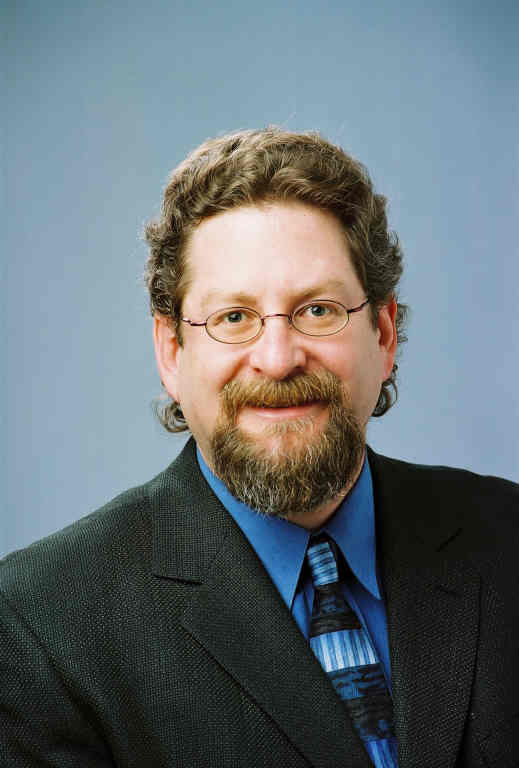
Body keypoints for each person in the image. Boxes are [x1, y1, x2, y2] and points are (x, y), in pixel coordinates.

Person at [1, 128, 517, 768]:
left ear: (383, 334)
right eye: (234, 318)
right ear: (171, 351)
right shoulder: (42, 625)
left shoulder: (506, 537)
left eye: (318, 310)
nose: (277, 359)